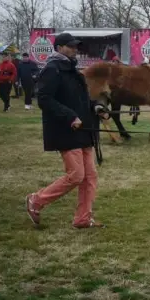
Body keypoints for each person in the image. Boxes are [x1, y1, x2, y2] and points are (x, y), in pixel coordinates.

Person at [25, 32, 110, 229]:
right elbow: (44, 99)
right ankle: (36, 201)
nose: (75, 49)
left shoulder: (73, 70)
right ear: (60, 47)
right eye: (71, 46)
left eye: (76, 46)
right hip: (66, 130)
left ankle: (82, 218)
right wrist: (70, 116)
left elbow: (80, 99)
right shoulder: (52, 69)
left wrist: (96, 107)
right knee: (76, 175)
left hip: (84, 130)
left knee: (90, 177)